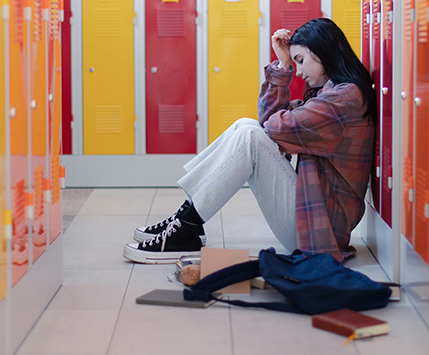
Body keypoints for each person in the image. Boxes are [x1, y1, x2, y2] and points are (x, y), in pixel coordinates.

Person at [123, 18, 377, 264]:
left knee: (250, 134)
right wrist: (283, 63)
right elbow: (268, 119)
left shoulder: (343, 98)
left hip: (319, 232)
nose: (298, 72)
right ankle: (185, 220)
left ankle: (185, 226)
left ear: (324, 52)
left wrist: (276, 121)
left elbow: (273, 126)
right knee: (247, 126)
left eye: (300, 61)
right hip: (311, 218)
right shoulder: (332, 92)